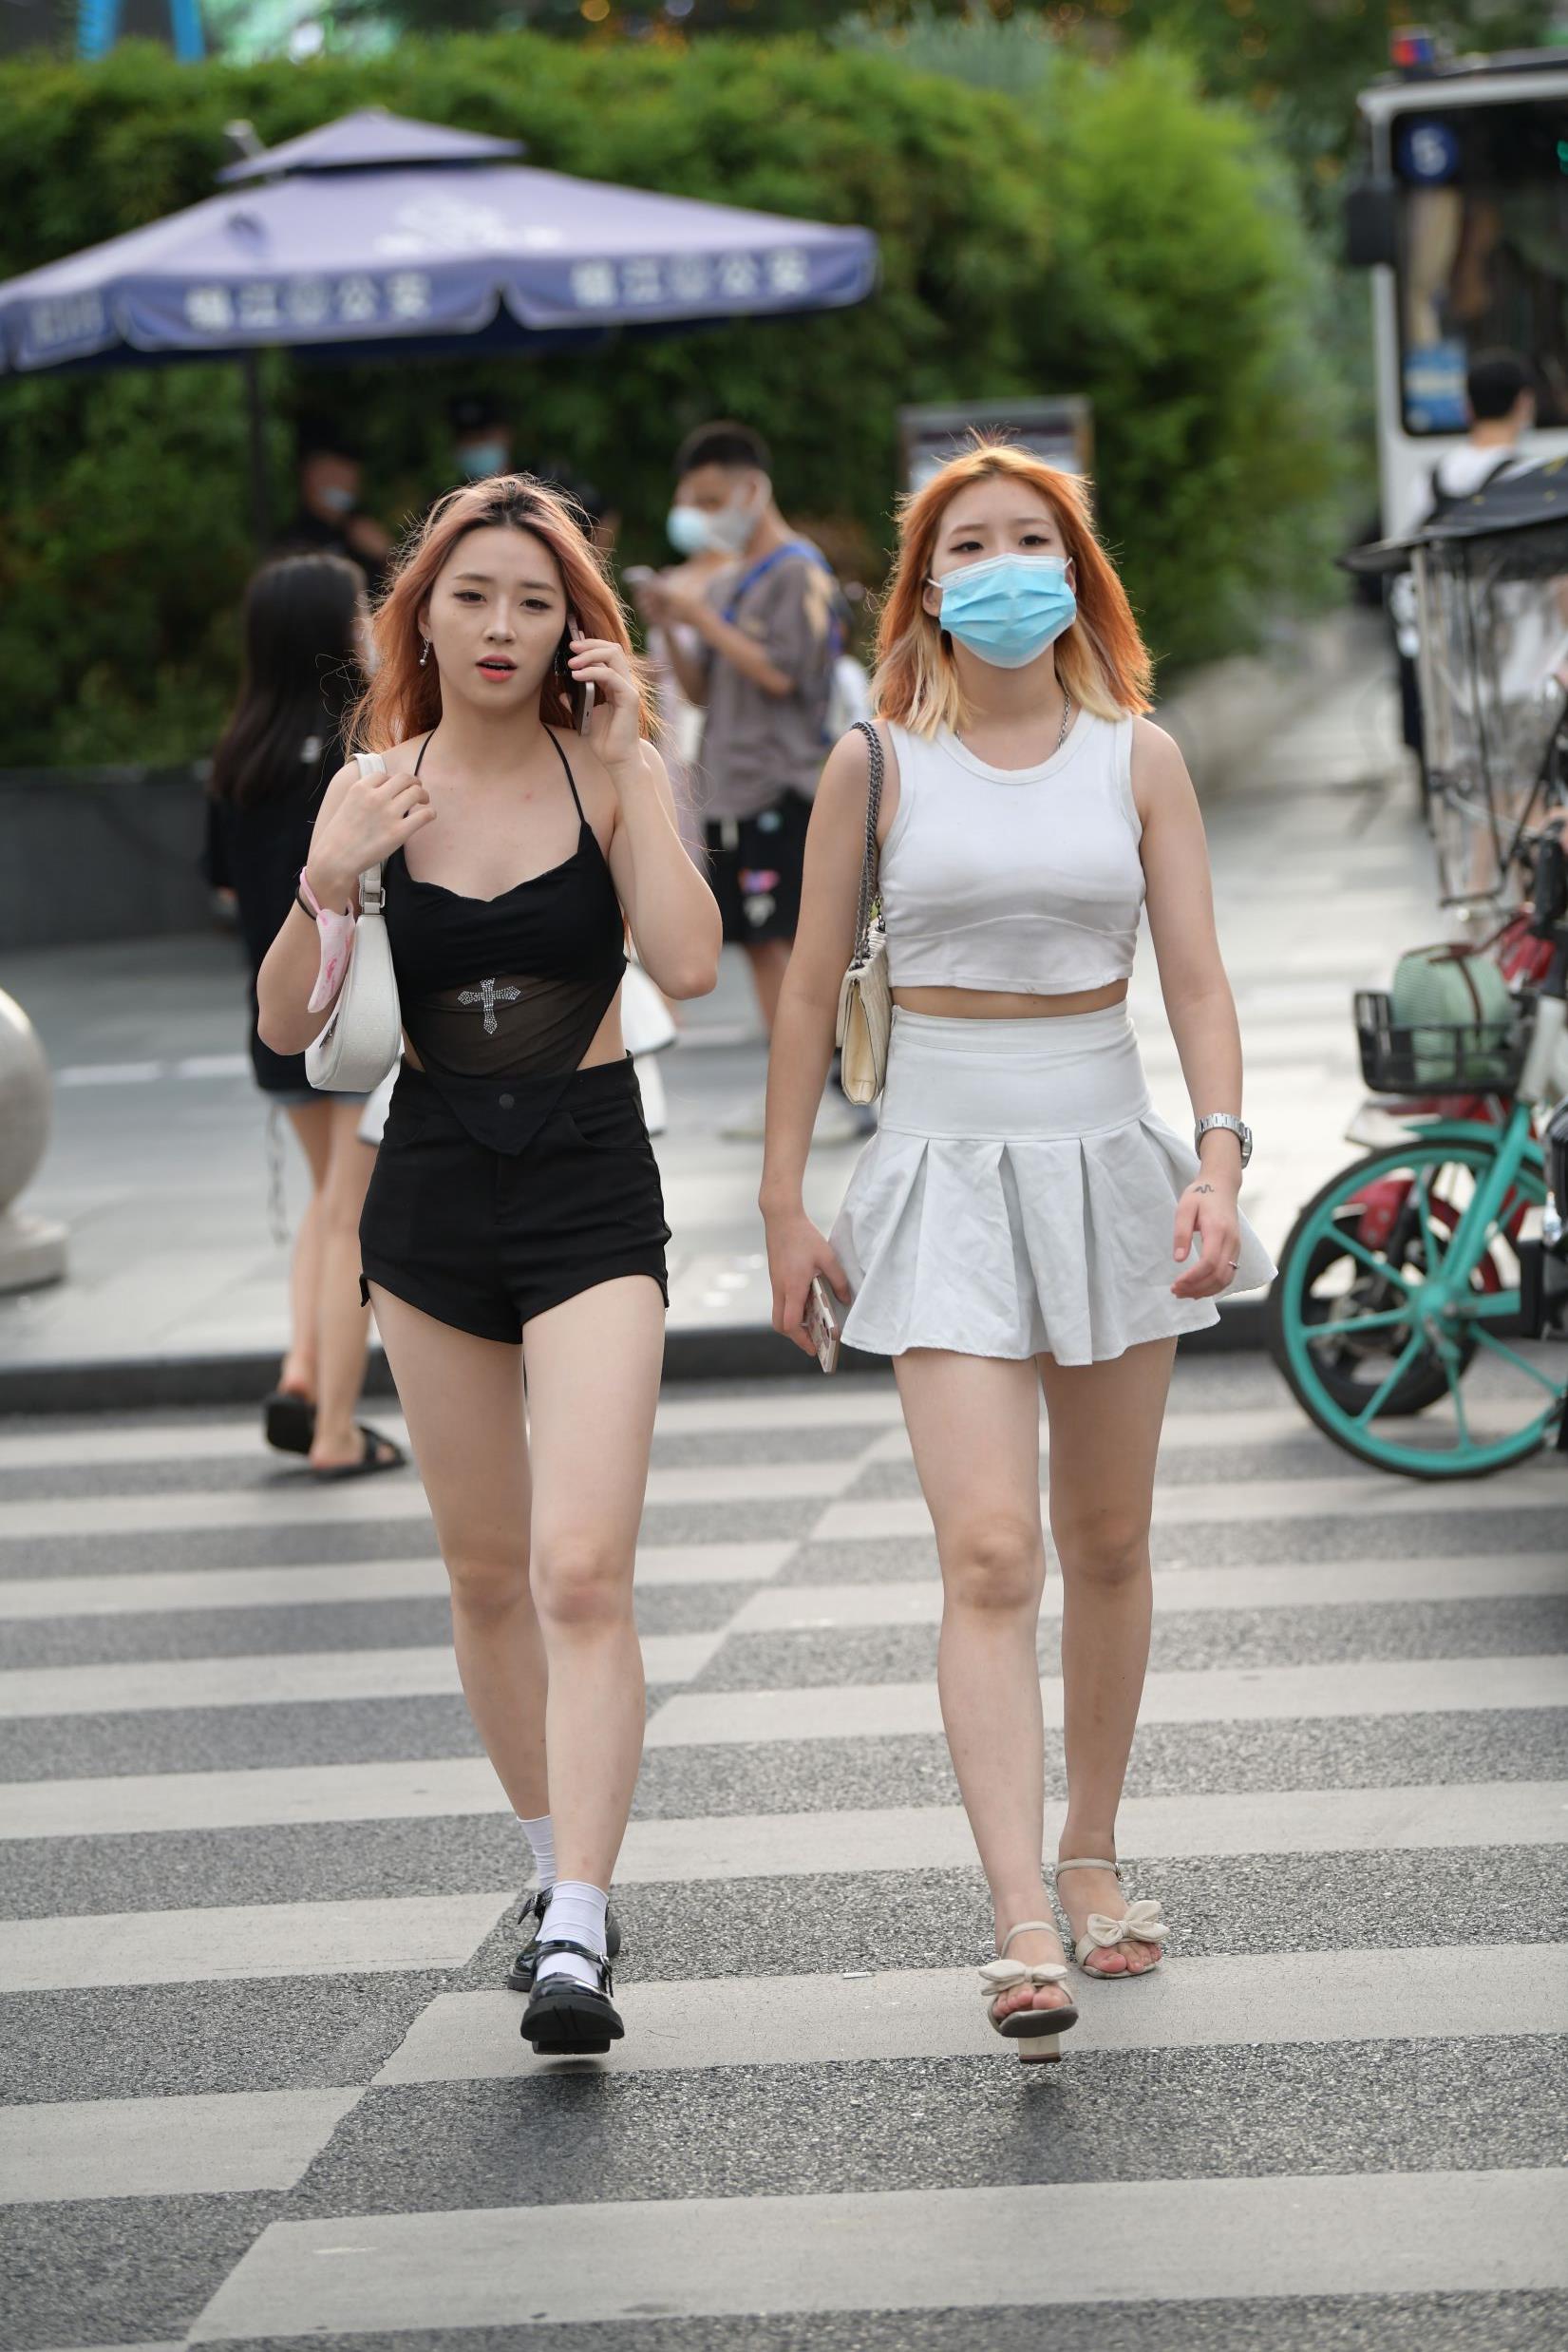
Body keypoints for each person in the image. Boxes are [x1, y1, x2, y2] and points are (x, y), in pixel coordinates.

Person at [761, 439, 1275, 2059]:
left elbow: (1195, 979)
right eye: (967, 545)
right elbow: (806, 988)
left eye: (1029, 539)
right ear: (923, 585)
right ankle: (1018, 1917)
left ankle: (1091, 1846)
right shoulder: (873, 763)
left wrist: (1217, 1161)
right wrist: (781, 1204)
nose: (1001, 568)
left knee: (1106, 1538)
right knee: (988, 1551)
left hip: (1108, 1157)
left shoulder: (1138, 756)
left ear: (1075, 569)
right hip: (937, 1166)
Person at [255, 474, 722, 2058]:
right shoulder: (372, 787)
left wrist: (632, 769)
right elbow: (285, 1022)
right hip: (433, 1192)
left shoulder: (610, 772)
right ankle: (545, 1865)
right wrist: (327, 874)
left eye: (534, 600)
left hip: (591, 1178)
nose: (503, 626)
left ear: (573, 625)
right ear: (424, 619)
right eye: (473, 598)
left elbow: (689, 962)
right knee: (483, 1573)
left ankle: (581, 1920)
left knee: (579, 1569)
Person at [205, 553, 405, 1481]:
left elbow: (219, 884)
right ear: (332, 631)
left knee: (327, 1203)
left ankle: (302, 1367)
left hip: (276, 1009)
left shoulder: (236, 756)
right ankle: (333, 1428)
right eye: (360, 608)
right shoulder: (355, 753)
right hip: (354, 1013)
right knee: (346, 1216)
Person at [635, 420, 857, 1141]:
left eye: (710, 499)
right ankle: (793, 1086)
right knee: (763, 945)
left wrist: (699, 614)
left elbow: (782, 674)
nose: (700, 516)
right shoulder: (732, 578)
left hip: (780, 786)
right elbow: (702, 688)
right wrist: (674, 627)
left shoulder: (798, 571)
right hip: (733, 785)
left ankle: (829, 1087)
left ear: (751, 490)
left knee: (789, 942)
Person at [1391, 349, 1537, 782]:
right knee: (1527, 787)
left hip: (1453, 671)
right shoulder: (1534, 481)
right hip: (1525, 667)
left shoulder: (1432, 480)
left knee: (1468, 791)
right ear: (1524, 404)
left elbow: (1411, 566)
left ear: (1467, 407)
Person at [279, 423, 395, 593]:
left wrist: (386, 555)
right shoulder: (292, 543)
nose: (342, 486)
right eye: (330, 476)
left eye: (348, 478)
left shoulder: (363, 538)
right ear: (307, 478)